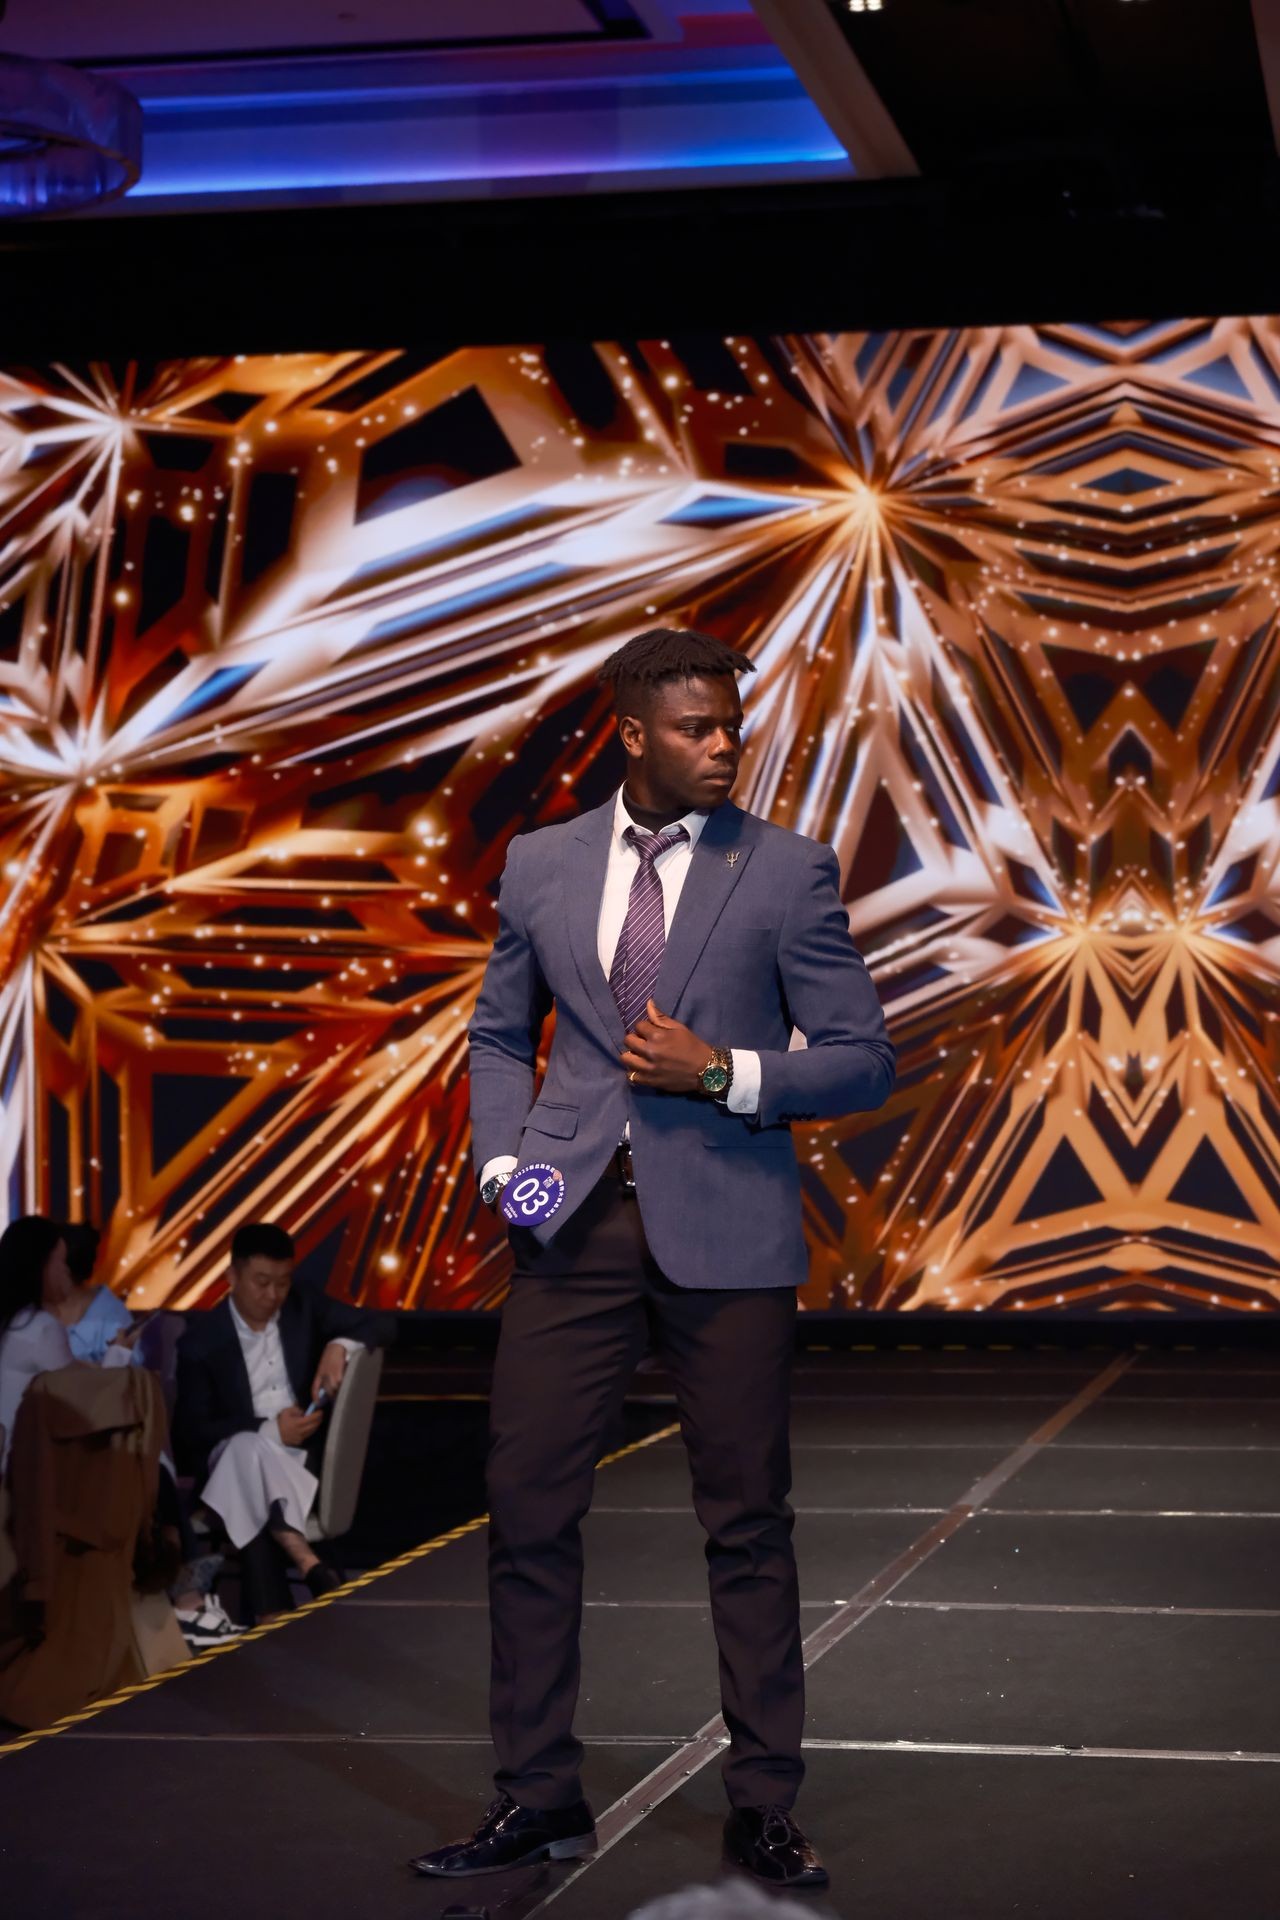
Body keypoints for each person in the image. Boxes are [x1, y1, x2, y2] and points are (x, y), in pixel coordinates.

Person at [411, 628, 894, 1889]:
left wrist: (724, 1073)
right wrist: (501, 1168)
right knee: (526, 1512)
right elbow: (496, 1035)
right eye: (696, 727)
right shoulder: (541, 863)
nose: (723, 744)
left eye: (730, 724)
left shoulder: (783, 870)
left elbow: (859, 1057)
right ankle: (535, 1798)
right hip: (567, 1223)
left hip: (725, 1225)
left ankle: (761, 1805)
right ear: (632, 734)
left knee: (745, 1524)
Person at [173, 1221, 383, 1622]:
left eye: (282, 1283)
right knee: (245, 1448)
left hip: (300, 1466)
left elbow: (379, 1324)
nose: (273, 1296)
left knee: (245, 1461)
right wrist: (268, 1430)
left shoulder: (302, 1307)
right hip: (225, 1471)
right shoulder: (202, 1340)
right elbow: (189, 1434)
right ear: (232, 1276)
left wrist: (339, 1345)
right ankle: (303, 1558)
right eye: (261, 1282)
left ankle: (273, 1612)